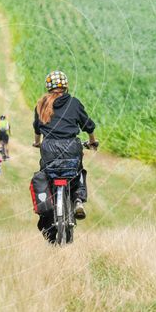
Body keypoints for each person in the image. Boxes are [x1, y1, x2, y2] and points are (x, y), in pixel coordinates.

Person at [32, 70, 98, 222]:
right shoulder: (74, 103)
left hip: (48, 148)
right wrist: (92, 141)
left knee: (46, 172)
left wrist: (37, 142)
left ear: (48, 87)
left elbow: (37, 128)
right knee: (78, 171)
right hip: (71, 147)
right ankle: (78, 200)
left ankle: (47, 204)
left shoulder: (41, 104)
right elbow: (88, 125)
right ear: (66, 86)